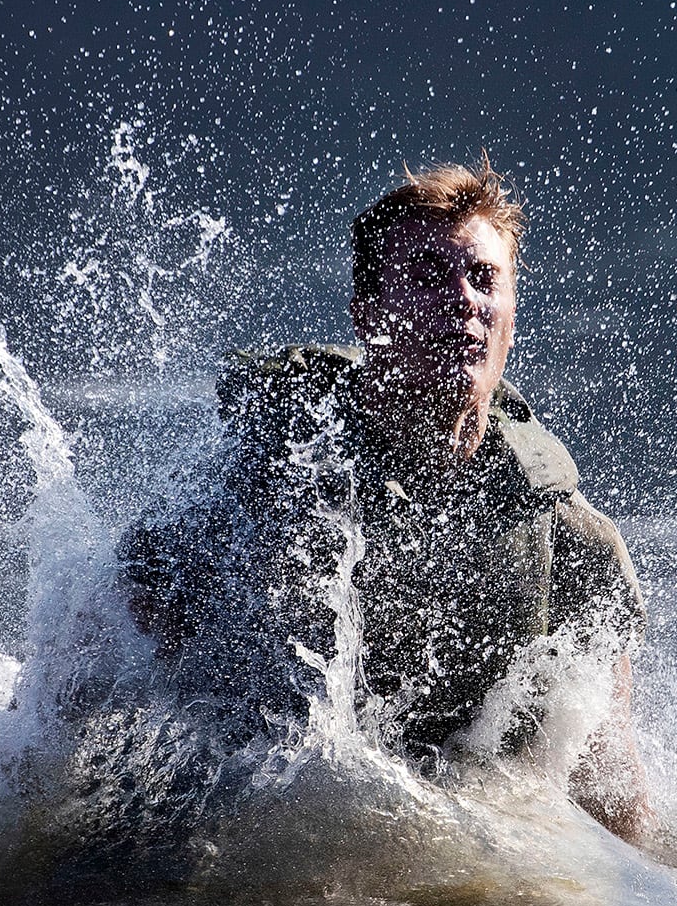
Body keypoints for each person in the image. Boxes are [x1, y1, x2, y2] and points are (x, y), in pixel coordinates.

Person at [121, 159, 649, 842]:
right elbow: (90, 665)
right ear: (368, 313)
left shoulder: (573, 541)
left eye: (484, 279)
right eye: (430, 276)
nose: (464, 299)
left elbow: (617, 804)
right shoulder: (263, 476)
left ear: (512, 316)